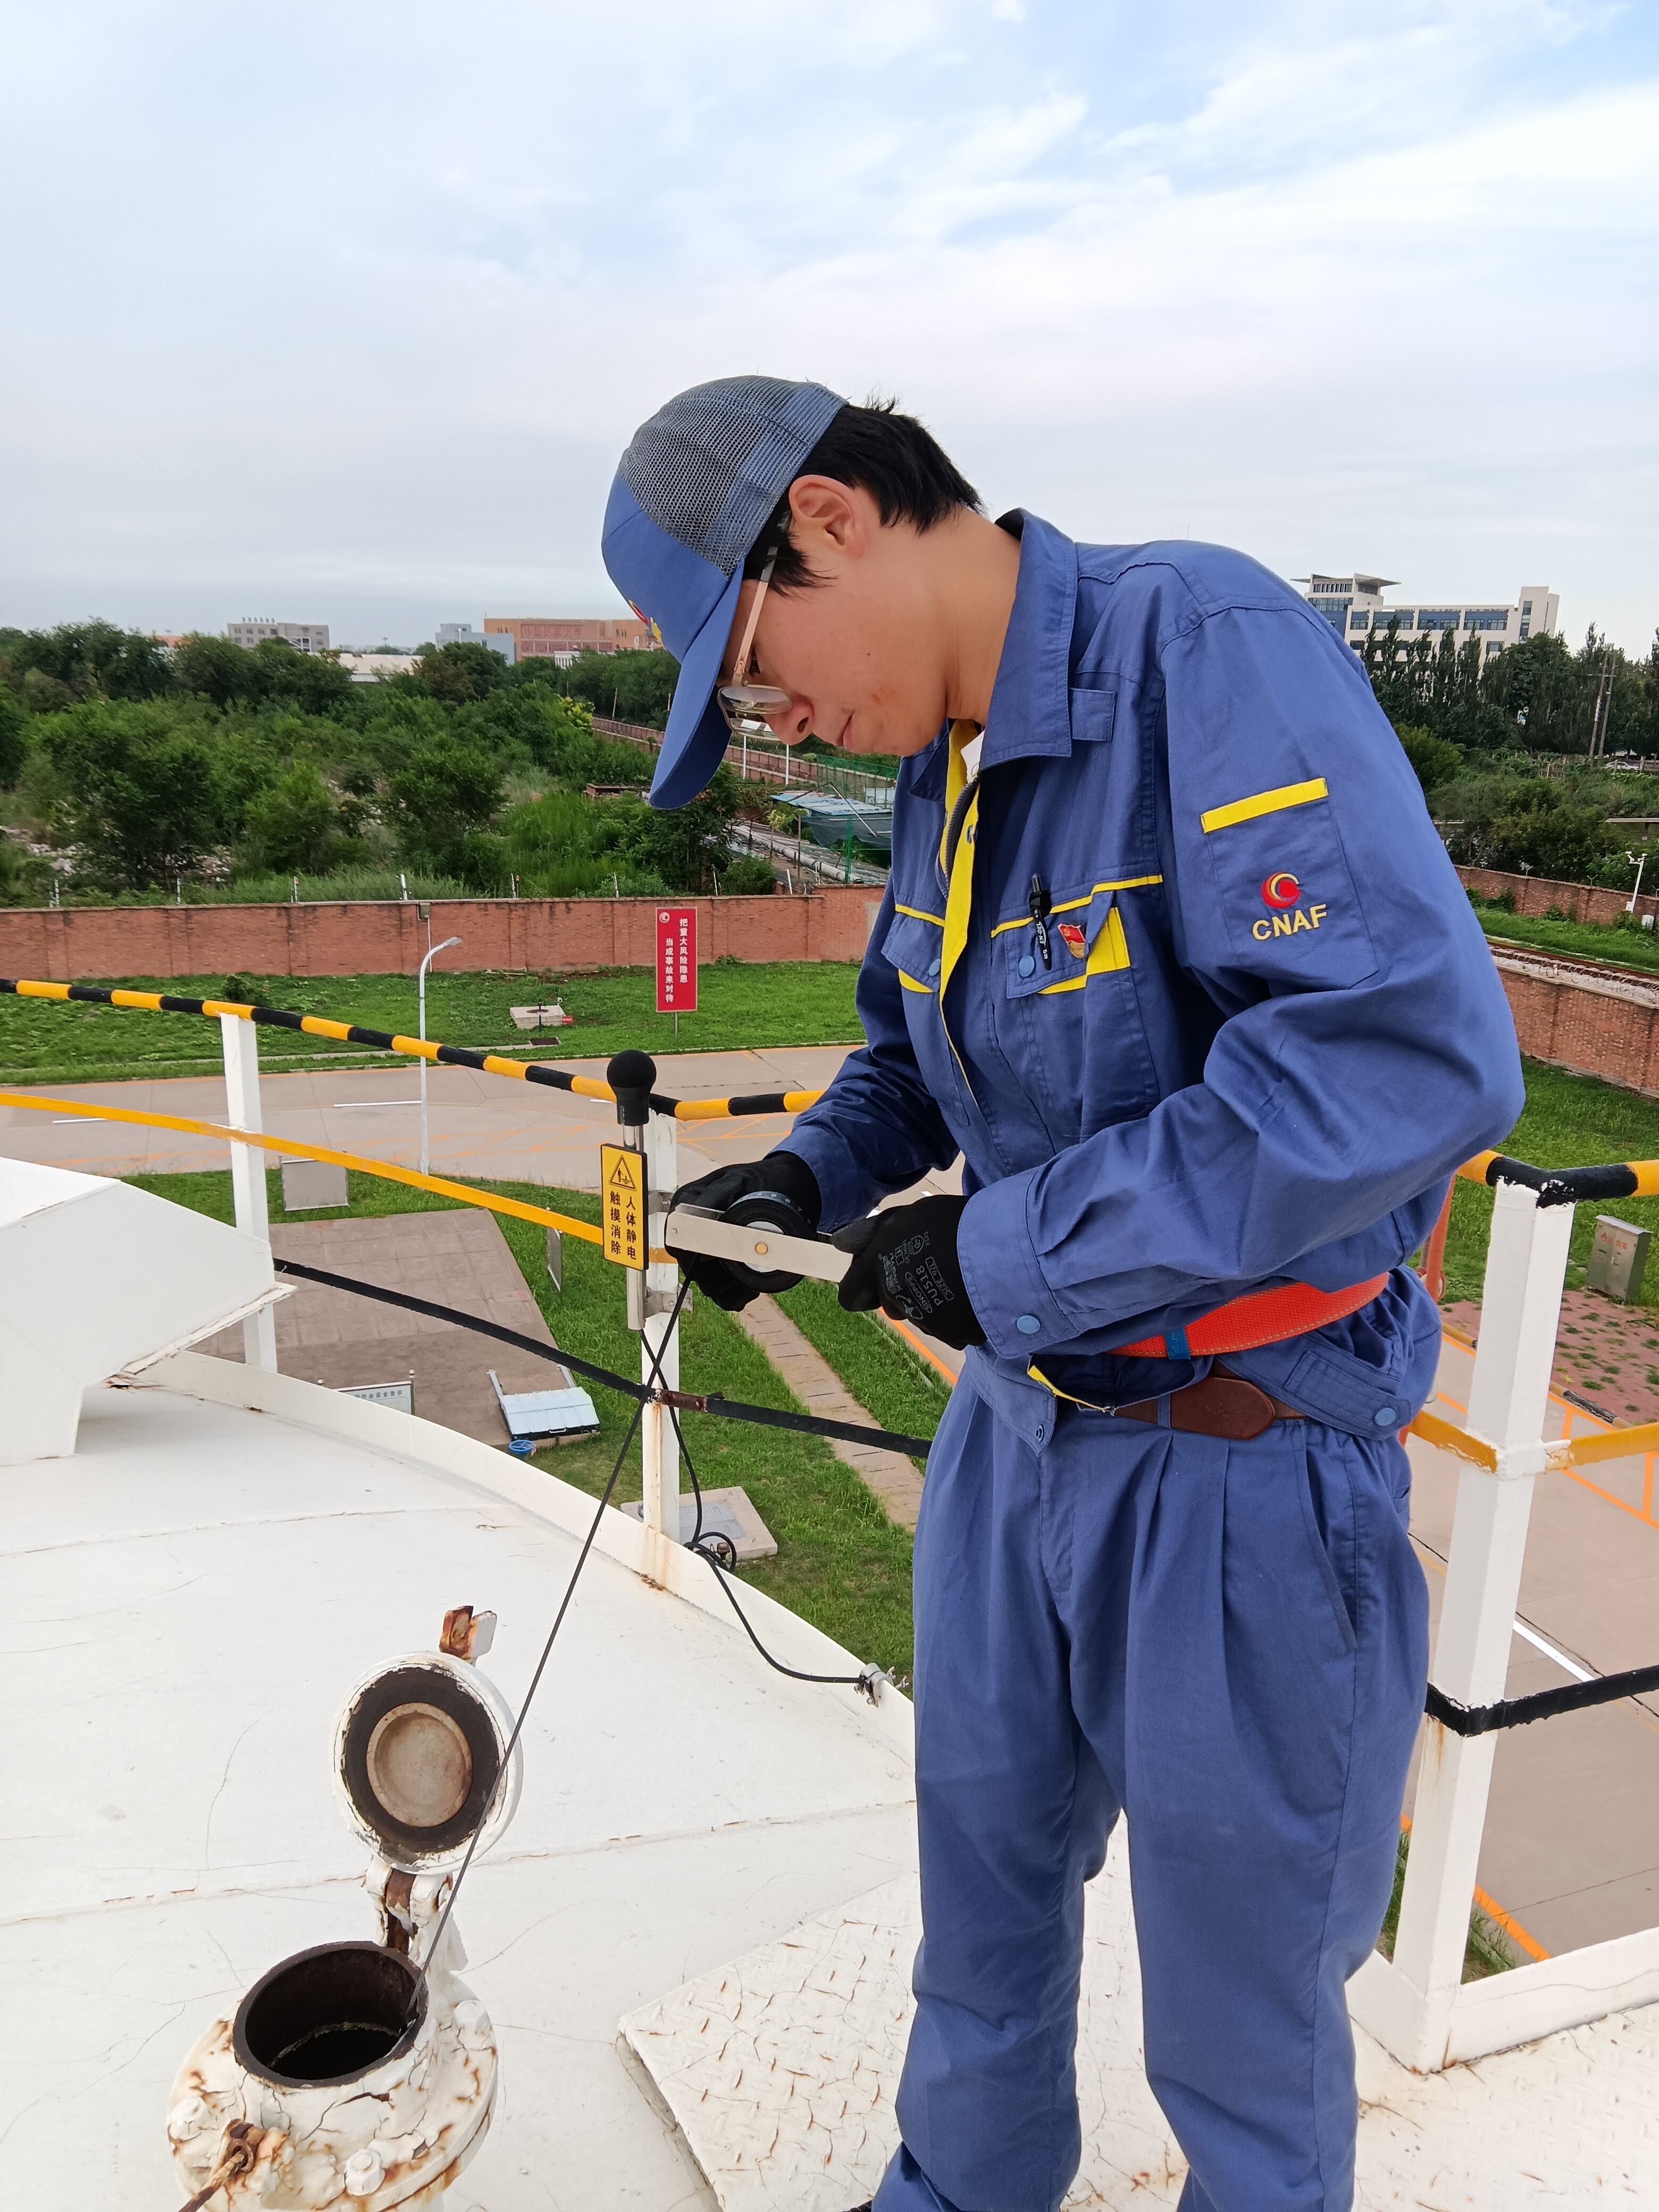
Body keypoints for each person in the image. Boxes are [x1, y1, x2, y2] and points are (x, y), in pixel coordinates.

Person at [600, 377, 1523, 2212]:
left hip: (1240, 1466)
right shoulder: (943, 765)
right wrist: (816, 1171)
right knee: (984, 1912)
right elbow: (910, 1048)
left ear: (837, 516)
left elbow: (1403, 1062)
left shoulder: (1205, 653)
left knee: (1242, 2029)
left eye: (756, 665)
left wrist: (1006, 1249)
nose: (778, 719)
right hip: (1020, 1443)